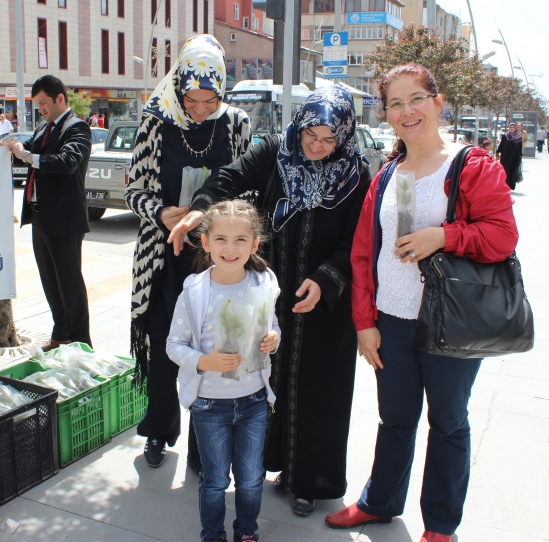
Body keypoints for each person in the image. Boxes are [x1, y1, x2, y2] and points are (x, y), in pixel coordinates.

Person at [325, 63, 518, 542]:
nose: (406, 110)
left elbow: (502, 237)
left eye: (416, 99)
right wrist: (364, 321)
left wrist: (443, 236)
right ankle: (380, 502)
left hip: (449, 322)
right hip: (391, 321)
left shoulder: (472, 165)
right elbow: (364, 254)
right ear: (386, 114)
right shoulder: (387, 174)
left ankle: (440, 525)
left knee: (448, 423)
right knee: (394, 419)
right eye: (395, 103)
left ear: (437, 102)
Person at [170, 86, 372, 516]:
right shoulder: (274, 153)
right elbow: (226, 179)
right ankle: (228, 464)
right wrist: (201, 210)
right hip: (263, 292)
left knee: (314, 388)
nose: (316, 146)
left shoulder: (356, 175)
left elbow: (359, 239)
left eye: (328, 139)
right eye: (310, 135)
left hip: (321, 301)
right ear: (298, 126)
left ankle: (306, 480)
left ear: (344, 137)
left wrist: (327, 278)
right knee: (247, 371)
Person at [125, 34, 252, 471]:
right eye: (191, 100)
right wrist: (159, 213)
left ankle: (207, 448)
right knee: (164, 344)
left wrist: (216, 217)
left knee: (214, 349)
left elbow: (247, 188)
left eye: (209, 100)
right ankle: (159, 430)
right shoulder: (154, 122)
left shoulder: (235, 123)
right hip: (165, 258)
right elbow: (132, 191)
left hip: (218, 260)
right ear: (178, 87)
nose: (199, 110)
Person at [166, 200, 281, 542]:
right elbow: (174, 345)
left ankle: (247, 531)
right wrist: (205, 362)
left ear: (254, 245)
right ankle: (212, 534)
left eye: (240, 240)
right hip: (209, 403)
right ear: (205, 242)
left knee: (250, 477)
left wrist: (273, 339)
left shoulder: (263, 282)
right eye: (221, 239)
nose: (230, 249)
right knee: (215, 479)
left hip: (253, 400)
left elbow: (270, 325)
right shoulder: (194, 291)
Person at [1, 75, 93, 350]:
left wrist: (27, 156)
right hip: (39, 215)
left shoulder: (77, 128)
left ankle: (80, 342)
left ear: (60, 99)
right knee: (50, 281)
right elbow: (26, 146)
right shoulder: (45, 128)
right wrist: (8, 147)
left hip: (65, 219)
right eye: (36, 104)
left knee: (70, 283)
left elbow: (67, 162)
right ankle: (61, 333)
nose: (39, 108)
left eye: (43, 103)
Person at [496, 123, 522, 190]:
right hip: (505, 158)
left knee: (513, 172)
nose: (512, 128)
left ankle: (511, 186)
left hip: (514, 159)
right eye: (510, 127)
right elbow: (501, 145)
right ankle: (505, 186)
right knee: (505, 172)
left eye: (513, 127)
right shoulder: (505, 136)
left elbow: (520, 149)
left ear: (515, 128)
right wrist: (497, 152)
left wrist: (520, 158)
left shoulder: (518, 138)